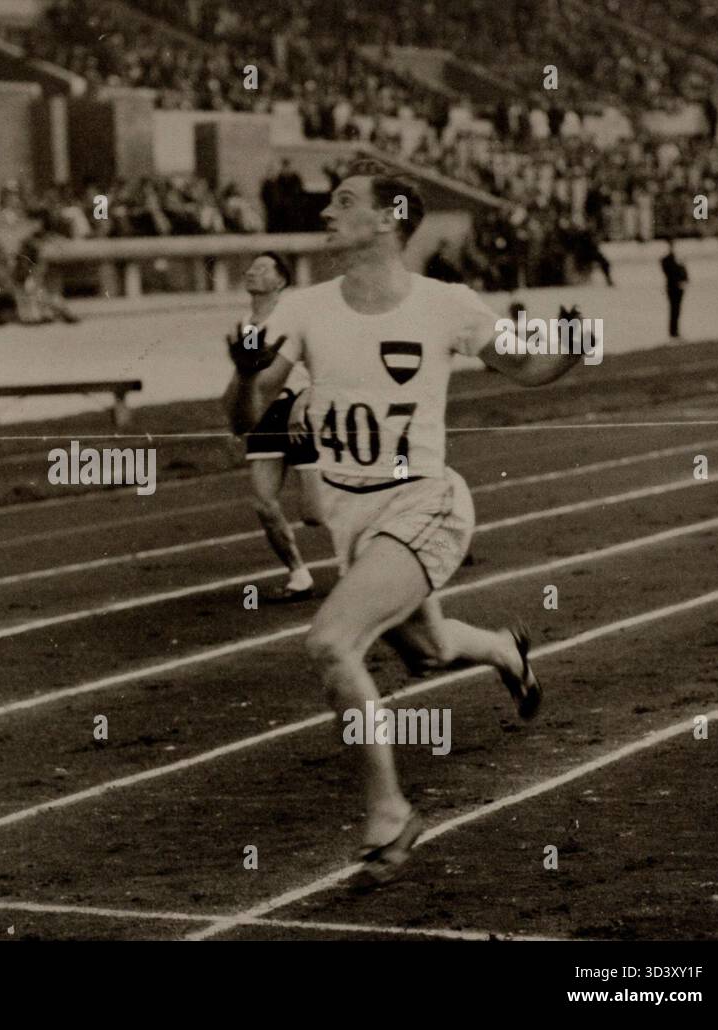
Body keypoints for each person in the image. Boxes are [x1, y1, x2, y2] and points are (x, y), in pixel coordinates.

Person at [224, 162, 585, 887]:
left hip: (427, 504)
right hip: (355, 523)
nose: (327, 211)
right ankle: (508, 653)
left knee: (330, 642)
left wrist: (571, 348)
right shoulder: (304, 308)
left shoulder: (446, 303)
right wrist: (241, 374)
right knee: (426, 653)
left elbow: (525, 370)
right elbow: (248, 422)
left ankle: (390, 811)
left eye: (344, 202)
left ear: (388, 219)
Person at [222, 251, 320, 602]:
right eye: (250, 267)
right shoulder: (246, 323)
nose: (251, 272)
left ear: (280, 281)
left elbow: (322, 368)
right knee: (263, 503)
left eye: (262, 269)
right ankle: (299, 574)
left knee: (315, 514)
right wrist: (236, 413)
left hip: (302, 409)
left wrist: (302, 403)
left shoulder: (295, 317)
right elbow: (248, 376)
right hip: (265, 416)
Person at [660, 237, 688, 338]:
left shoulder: (676, 258)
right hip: (673, 287)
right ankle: (673, 331)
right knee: (674, 310)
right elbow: (670, 272)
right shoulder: (667, 259)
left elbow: (684, 271)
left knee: (676, 310)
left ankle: (674, 331)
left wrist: (685, 280)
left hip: (678, 287)